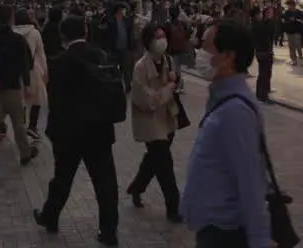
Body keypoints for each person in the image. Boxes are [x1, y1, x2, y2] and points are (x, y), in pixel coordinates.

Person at [180, 21, 271, 248]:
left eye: (206, 47)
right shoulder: (220, 97)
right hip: (213, 227)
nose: (200, 53)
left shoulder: (235, 111)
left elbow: (250, 179)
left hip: (225, 233)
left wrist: (259, 239)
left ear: (228, 57)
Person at [33, 16, 120, 246]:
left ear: (63, 36)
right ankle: (109, 231)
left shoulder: (58, 62)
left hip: (68, 132)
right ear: (85, 31)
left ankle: (50, 217)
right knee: (105, 182)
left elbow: (54, 100)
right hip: (99, 130)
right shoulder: (101, 56)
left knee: (62, 178)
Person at [126, 25, 182, 222]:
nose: (162, 40)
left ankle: (137, 187)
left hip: (167, 118)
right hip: (150, 122)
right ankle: (174, 206)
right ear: (148, 41)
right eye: (157, 37)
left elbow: (174, 86)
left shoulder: (168, 60)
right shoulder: (141, 67)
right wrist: (169, 87)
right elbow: (147, 101)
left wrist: (174, 84)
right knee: (165, 164)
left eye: (164, 36)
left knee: (154, 159)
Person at [0, 5, 36, 177]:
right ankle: (25, 154)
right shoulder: (18, 39)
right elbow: (28, 64)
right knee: (18, 123)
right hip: (13, 86)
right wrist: (26, 83)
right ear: (10, 18)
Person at [14, 8, 49, 141]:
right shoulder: (35, 33)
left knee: (19, 99)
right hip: (32, 69)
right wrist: (45, 72)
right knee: (37, 99)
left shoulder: (11, 31)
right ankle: (32, 126)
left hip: (14, 70)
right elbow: (41, 55)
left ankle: (21, 125)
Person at [250, 6, 276, 103]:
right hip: (264, 50)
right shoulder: (260, 25)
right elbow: (268, 34)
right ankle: (263, 95)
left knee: (263, 73)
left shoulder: (255, 24)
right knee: (265, 73)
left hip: (260, 50)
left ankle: (261, 92)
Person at [281, 0, 303, 67]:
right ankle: (294, 60)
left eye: (289, 5)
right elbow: (283, 21)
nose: (288, 6)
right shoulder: (286, 12)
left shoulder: (298, 12)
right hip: (289, 31)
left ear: (293, 5)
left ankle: (300, 56)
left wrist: (296, 19)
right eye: (287, 5)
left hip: (297, 31)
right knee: (291, 47)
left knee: (298, 45)